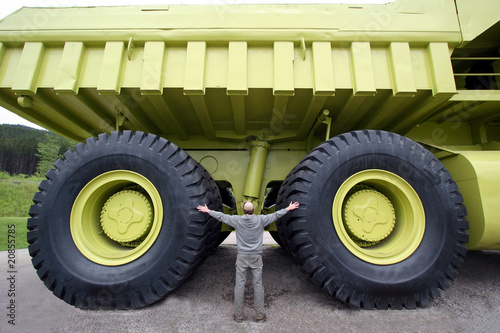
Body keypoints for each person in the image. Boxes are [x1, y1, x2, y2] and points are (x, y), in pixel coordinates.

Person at [197, 200, 300, 323]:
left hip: (242, 256)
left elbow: (222, 216)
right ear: (253, 210)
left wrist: (208, 211)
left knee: (239, 285)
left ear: (244, 210)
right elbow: (276, 215)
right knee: (258, 285)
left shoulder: (237, 220)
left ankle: (238, 316)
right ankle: (260, 316)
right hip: (256, 257)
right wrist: (288, 208)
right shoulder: (261, 220)